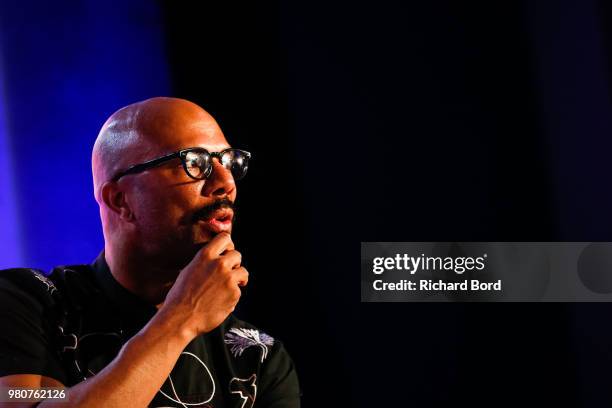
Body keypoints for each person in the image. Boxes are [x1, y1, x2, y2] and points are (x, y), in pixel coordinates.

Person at [0, 97, 301, 407]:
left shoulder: (257, 358)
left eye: (227, 162)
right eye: (195, 163)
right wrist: (181, 317)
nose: (226, 183)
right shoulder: (31, 304)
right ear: (120, 200)